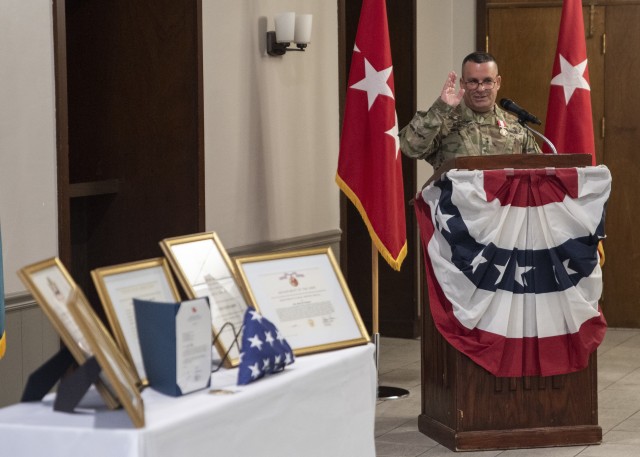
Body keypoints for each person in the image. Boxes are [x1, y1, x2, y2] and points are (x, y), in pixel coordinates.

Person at [399, 52, 541, 170]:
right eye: (473, 81)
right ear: (462, 83)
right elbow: (411, 148)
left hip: (505, 204)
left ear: (497, 82)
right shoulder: (444, 120)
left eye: (487, 81)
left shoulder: (515, 126)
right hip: (454, 203)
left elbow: (540, 170)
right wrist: (440, 108)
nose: (480, 89)